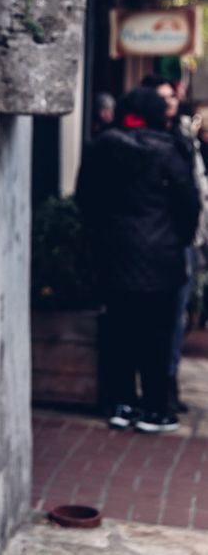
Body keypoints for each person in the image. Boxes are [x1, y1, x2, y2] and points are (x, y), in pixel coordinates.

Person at [76, 87, 200, 434]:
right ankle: (156, 410)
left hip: (114, 255)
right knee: (157, 335)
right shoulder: (169, 149)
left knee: (118, 330)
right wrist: (178, 239)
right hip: (162, 258)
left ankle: (122, 404)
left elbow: (85, 198)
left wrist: (100, 237)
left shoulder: (102, 145)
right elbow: (188, 202)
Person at [141, 74, 208, 414]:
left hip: (183, 240)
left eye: (172, 96)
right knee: (153, 319)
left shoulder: (183, 135)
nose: (169, 102)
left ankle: (168, 383)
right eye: (162, 97)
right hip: (154, 241)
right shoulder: (144, 139)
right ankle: (153, 390)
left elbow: (195, 188)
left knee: (176, 316)